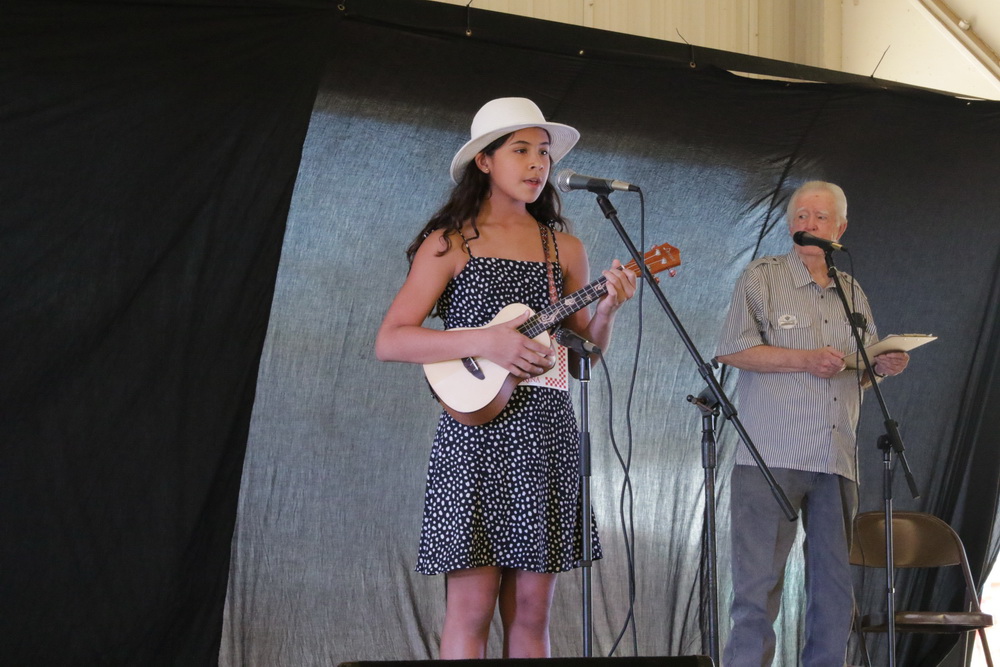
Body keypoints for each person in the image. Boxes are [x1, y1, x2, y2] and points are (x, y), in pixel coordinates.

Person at [374, 97, 636, 659]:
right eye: (521, 150)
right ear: (485, 161)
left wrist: (608, 312)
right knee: (471, 610)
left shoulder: (564, 248)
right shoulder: (450, 241)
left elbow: (583, 357)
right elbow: (391, 339)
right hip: (476, 438)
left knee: (533, 615)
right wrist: (485, 341)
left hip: (546, 432)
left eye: (543, 152)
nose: (538, 163)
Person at [715, 181, 909, 667]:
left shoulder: (851, 290)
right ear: (789, 224)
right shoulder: (762, 277)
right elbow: (733, 349)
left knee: (834, 590)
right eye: (801, 216)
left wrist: (880, 366)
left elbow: (856, 372)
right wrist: (805, 359)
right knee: (757, 588)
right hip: (771, 454)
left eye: (820, 217)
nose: (808, 224)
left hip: (835, 455)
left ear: (840, 229)